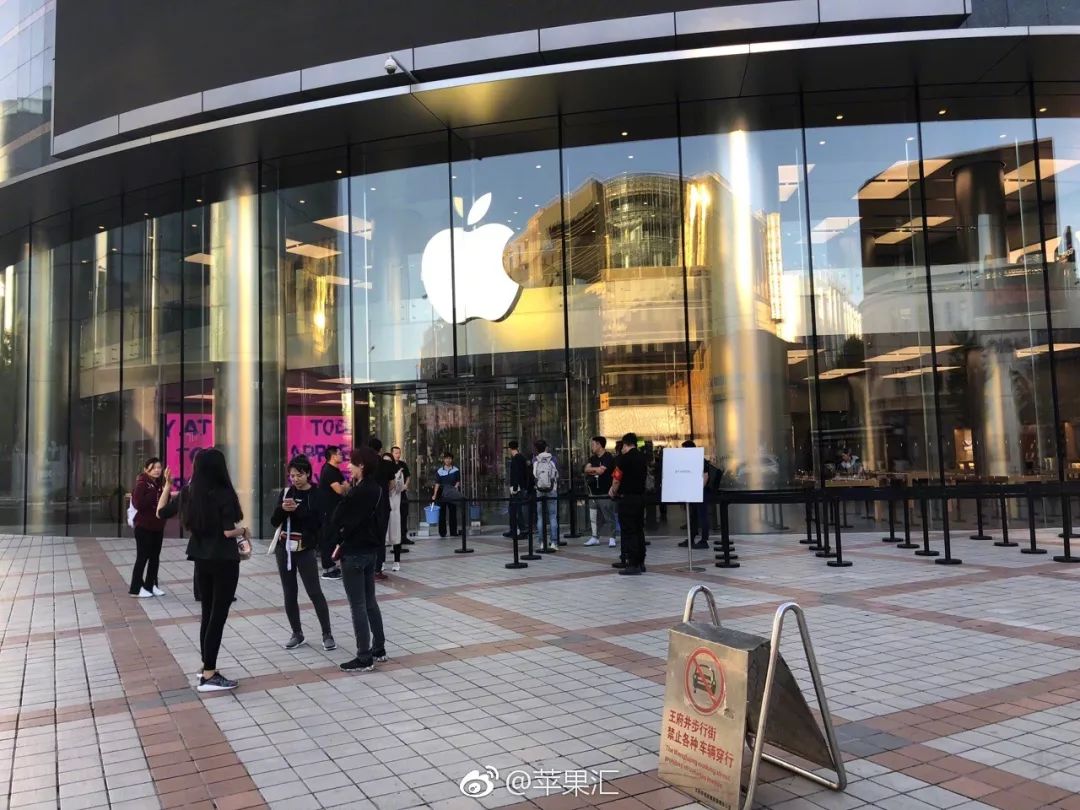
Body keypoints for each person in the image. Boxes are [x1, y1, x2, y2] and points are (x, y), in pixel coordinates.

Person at [156, 447, 249, 692]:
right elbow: (229, 531)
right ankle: (209, 674)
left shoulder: (188, 491)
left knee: (207, 613)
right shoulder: (224, 493)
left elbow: (160, 512)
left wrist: (167, 485)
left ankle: (206, 666)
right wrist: (245, 532)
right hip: (224, 559)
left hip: (200, 558)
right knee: (218, 615)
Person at [329, 446, 388, 672]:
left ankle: (364, 656)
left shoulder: (358, 491)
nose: (349, 466)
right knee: (370, 600)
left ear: (362, 465)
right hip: (370, 550)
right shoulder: (377, 489)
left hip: (353, 551)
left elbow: (338, 517)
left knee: (358, 605)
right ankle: (379, 647)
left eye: (352, 463)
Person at [270, 455, 336, 652]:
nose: (296, 479)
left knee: (314, 591)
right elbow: (274, 521)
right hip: (284, 549)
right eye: (292, 475)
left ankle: (327, 633)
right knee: (289, 593)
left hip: (305, 549)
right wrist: (283, 510)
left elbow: (317, 524)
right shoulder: (286, 492)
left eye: (299, 475)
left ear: (308, 473)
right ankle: (296, 633)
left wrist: (298, 511)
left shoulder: (317, 494)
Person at [609, 432, 648, 575]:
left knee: (629, 531)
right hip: (640, 498)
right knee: (639, 530)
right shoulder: (642, 458)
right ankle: (641, 562)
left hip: (627, 499)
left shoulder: (623, 459)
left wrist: (613, 490)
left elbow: (616, 478)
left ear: (625, 444)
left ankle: (632, 564)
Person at [129, 458, 168, 598]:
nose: (157, 470)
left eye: (159, 467)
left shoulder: (159, 484)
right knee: (142, 557)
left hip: (157, 526)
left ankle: (150, 585)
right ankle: (135, 588)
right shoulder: (142, 484)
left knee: (155, 558)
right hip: (144, 527)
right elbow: (138, 503)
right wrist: (154, 493)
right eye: (153, 468)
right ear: (146, 469)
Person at [318, 446, 349, 580]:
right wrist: (344, 487)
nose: (342, 456)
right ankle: (327, 569)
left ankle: (333, 566)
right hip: (328, 510)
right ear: (333, 456)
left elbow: (346, 486)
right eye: (339, 454)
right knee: (328, 538)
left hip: (336, 510)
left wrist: (345, 487)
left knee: (335, 537)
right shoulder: (328, 470)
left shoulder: (336, 470)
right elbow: (340, 489)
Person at [368, 437, 396, 580]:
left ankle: (368, 567)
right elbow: (392, 485)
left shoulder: (365, 464)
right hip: (383, 505)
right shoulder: (387, 465)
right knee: (380, 537)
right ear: (380, 449)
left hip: (367, 506)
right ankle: (378, 569)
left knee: (368, 535)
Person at [677, 440, 711, 551]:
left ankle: (704, 541)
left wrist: (698, 489)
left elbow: (706, 476)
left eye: (684, 449)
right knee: (693, 516)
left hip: (700, 492)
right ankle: (691, 539)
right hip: (693, 491)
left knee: (702, 516)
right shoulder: (689, 460)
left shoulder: (700, 460)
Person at [583, 437, 617, 548]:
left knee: (608, 516)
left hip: (605, 492)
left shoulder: (608, 457)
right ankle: (595, 537)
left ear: (599, 445)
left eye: (593, 444)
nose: (592, 447)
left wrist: (594, 470)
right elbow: (586, 469)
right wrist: (595, 470)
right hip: (593, 493)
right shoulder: (592, 458)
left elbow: (601, 471)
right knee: (594, 516)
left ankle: (612, 537)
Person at [532, 440, 559, 548]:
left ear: (537, 449)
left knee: (540, 517)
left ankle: (542, 543)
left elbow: (534, 475)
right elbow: (556, 474)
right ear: (546, 447)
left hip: (539, 490)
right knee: (553, 516)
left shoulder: (535, 459)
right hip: (552, 489)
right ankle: (553, 542)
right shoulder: (553, 459)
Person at [433, 452, 462, 538]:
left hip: (452, 494)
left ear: (452, 460)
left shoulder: (456, 470)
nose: (448, 460)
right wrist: (434, 494)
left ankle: (453, 532)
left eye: (449, 458)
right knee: (442, 514)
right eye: (446, 458)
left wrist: (455, 489)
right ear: (444, 460)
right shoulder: (439, 471)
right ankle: (442, 533)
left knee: (453, 513)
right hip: (441, 494)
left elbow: (458, 481)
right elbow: (437, 483)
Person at [505, 441, 529, 540]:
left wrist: (515, 487)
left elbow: (517, 474)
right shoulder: (521, 458)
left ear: (510, 448)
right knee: (512, 509)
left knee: (517, 509)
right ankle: (513, 530)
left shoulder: (517, 459)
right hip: (519, 487)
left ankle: (522, 530)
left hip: (517, 488)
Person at [392, 446, 413, 547]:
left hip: (402, 493)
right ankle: (395, 538)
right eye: (396, 453)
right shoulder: (389, 465)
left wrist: (406, 485)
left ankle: (403, 537)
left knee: (404, 514)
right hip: (393, 494)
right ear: (392, 454)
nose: (398, 455)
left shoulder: (403, 464)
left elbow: (408, 476)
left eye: (399, 453)